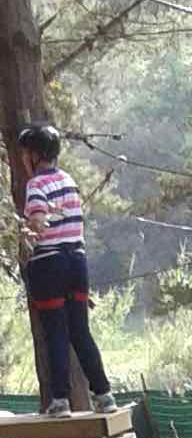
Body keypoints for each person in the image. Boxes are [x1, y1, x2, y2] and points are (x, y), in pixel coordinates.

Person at [15, 124, 115, 418]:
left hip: (50, 264)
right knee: (80, 332)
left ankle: (60, 401)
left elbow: (38, 222)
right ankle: (104, 395)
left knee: (56, 333)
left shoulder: (36, 185)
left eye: (25, 154)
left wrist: (26, 229)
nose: (24, 160)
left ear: (34, 155)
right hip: (77, 263)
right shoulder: (68, 180)